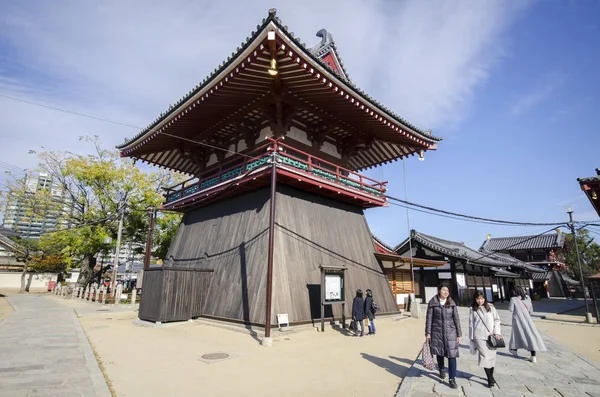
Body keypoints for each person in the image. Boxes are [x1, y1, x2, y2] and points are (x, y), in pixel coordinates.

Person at [425, 283, 462, 389]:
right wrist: (428, 332)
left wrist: (459, 334)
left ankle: (452, 379)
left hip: (451, 332)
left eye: (447, 290)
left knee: (452, 355)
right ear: (439, 291)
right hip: (437, 331)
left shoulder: (452, 303)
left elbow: (457, 319)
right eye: (443, 290)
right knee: (439, 352)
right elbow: (429, 319)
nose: (446, 292)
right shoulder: (433, 303)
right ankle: (441, 368)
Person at [469, 291, 502, 388]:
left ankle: (491, 376)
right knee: (485, 357)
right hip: (478, 336)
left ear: (485, 299)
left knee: (491, 357)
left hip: (491, 335)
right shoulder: (472, 309)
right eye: (478, 299)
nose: (480, 301)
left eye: (482, 298)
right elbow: (471, 324)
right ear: (475, 299)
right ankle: (490, 379)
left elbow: (497, 320)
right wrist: (471, 338)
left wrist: (497, 332)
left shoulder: (491, 307)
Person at [508, 285, 547, 362]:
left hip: (518, 320)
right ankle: (533, 356)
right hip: (528, 320)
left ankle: (514, 349)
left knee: (516, 335)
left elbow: (510, 309)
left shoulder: (513, 299)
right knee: (530, 336)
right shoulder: (528, 298)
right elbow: (531, 311)